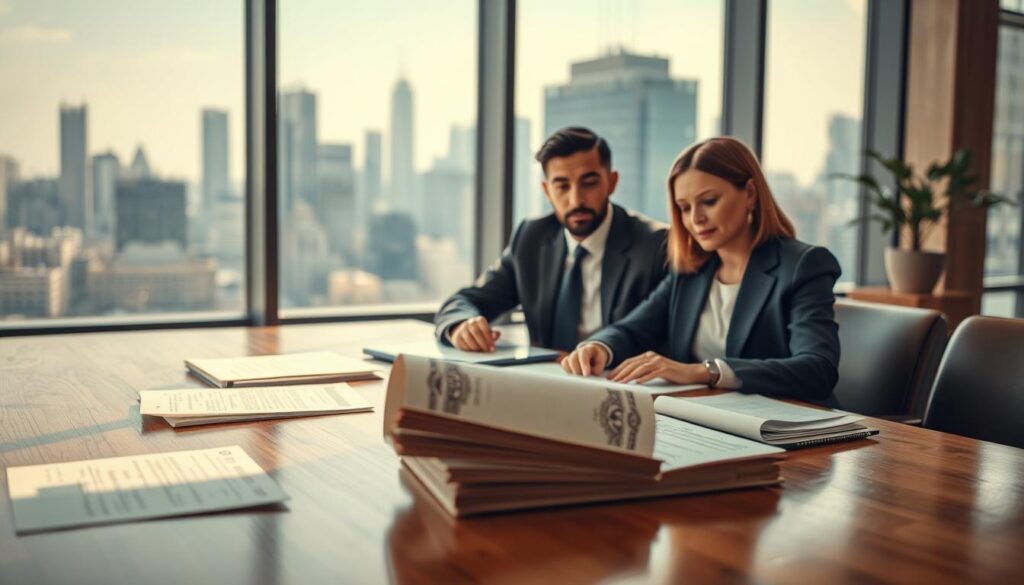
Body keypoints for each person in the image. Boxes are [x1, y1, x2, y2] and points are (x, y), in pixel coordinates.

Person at [562, 136, 841, 402]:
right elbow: (633, 329)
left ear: (751, 194)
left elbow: (816, 369)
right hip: (710, 416)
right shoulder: (691, 271)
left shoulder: (804, 265)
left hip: (790, 424)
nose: (695, 219)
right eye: (684, 207)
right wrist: (598, 347)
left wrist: (704, 371)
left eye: (709, 201)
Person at [434, 127, 668, 352]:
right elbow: (463, 301)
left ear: (612, 182)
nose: (576, 199)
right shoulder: (531, 238)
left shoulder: (655, 245)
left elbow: (655, 333)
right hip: (545, 383)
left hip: (621, 384)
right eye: (562, 186)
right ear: (547, 191)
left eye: (589, 183)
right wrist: (461, 325)